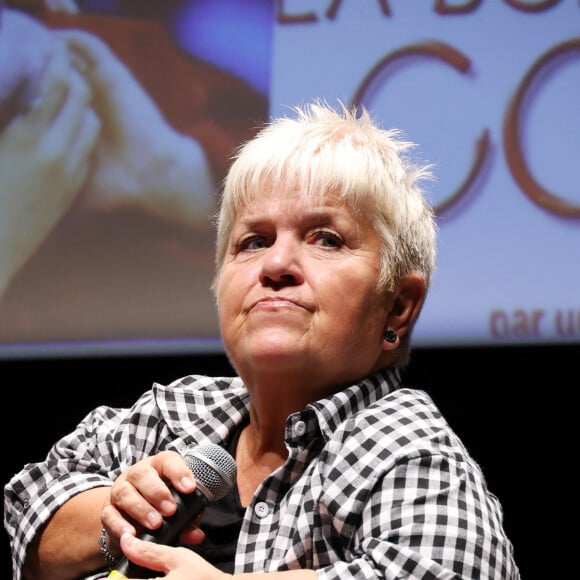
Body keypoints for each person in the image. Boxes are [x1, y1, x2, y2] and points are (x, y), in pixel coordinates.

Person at [3, 100, 520, 580]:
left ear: (398, 307)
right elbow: (30, 511)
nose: (275, 266)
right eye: (253, 242)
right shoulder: (172, 413)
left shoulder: (406, 446)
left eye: (326, 239)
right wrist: (116, 515)